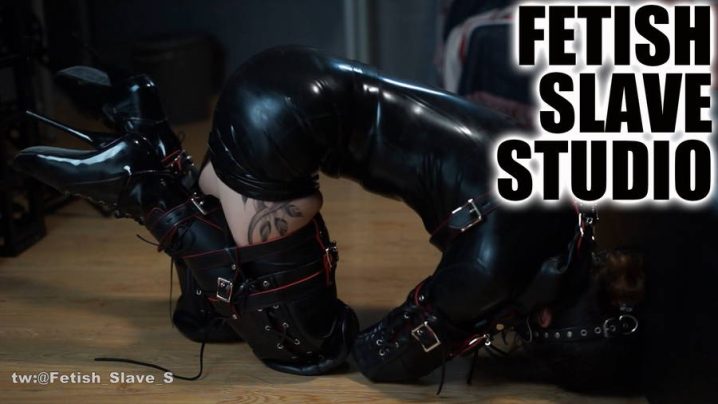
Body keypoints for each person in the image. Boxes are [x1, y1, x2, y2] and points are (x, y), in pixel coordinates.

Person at [14, 46, 643, 391]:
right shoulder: (496, 264)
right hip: (280, 124)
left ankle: (145, 124)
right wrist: (466, 325)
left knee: (209, 317)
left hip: (288, 86)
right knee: (312, 345)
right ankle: (143, 187)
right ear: (547, 316)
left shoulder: (567, 209)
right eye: (535, 332)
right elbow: (378, 356)